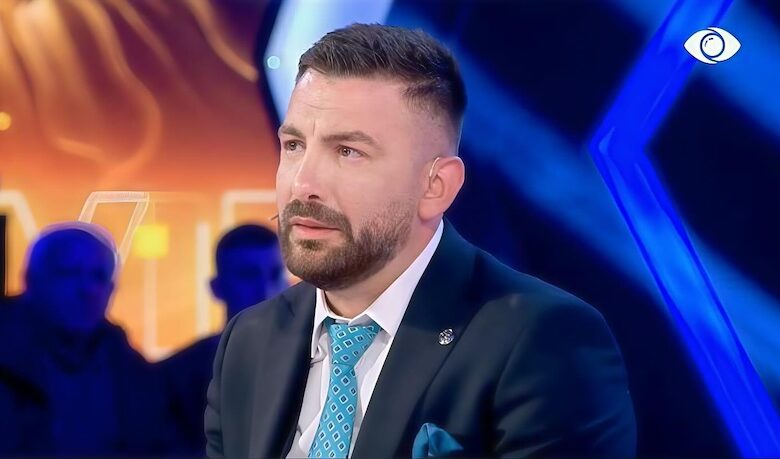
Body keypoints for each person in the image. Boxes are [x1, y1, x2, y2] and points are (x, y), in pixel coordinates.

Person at [205, 24, 636, 458]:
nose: (303, 184)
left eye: (348, 151)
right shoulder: (249, 340)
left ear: (435, 187)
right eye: (294, 145)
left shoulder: (545, 343)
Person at [0, 222, 174, 457]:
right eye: (69, 273)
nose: (88, 289)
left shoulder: (133, 373)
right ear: (31, 280)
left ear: (111, 290)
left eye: (99, 277)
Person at [158, 224, 287, 455]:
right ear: (217, 288)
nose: (266, 291)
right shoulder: (174, 379)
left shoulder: (321, 363)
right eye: (248, 276)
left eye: (275, 274)